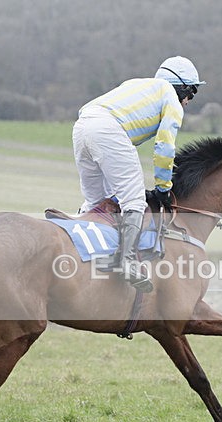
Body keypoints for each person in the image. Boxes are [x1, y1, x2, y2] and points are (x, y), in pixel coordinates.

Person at [72, 56, 205, 293]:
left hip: (82, 126)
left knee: (97, 201)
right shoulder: (170, 100)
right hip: (108, 129)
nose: (188, 102)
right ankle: (128, 261)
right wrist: (164, 188)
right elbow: (164, 148)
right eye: (191, 94)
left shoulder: (138, 84)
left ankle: (80, 254)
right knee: (133, 200)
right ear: (181, 88)